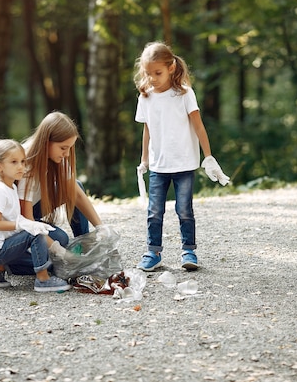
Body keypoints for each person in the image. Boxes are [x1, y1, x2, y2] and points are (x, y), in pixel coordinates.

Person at [133, 41, 230, 272]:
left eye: (158, 73)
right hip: (158, 165)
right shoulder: (145, 97)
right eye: (148, 73)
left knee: (184, 209)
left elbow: (198, 126)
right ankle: (153, 252)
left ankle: (189, 251)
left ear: (171, 68)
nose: (153, 78)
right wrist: (144, 160)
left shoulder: (185, 94)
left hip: (184, 164)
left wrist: (209, 157)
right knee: (154, 211)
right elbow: (147, 130)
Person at [0, 138, 72, 292]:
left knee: (41, 242)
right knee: (35, 234)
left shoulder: (11, 188)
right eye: (14, 162)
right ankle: (42, 280)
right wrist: (24, 225)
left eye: (23, 161)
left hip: (2, 248)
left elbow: (13, 217)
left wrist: (31, 223)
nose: (21, 167)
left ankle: (0, 270)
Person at [17, 111, 110, 256]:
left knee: (76, 185)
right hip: (18, 217)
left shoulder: (58, 157)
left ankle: (83, 243)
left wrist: (101, 227)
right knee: (61, 239)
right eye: (63, 148)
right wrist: (55, 247)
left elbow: (76, 194)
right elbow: (26, 217)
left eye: (69, 148)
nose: (67, 154)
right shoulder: (26, 162)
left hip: (33, 207)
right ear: (46, 142)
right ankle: (10, 261)